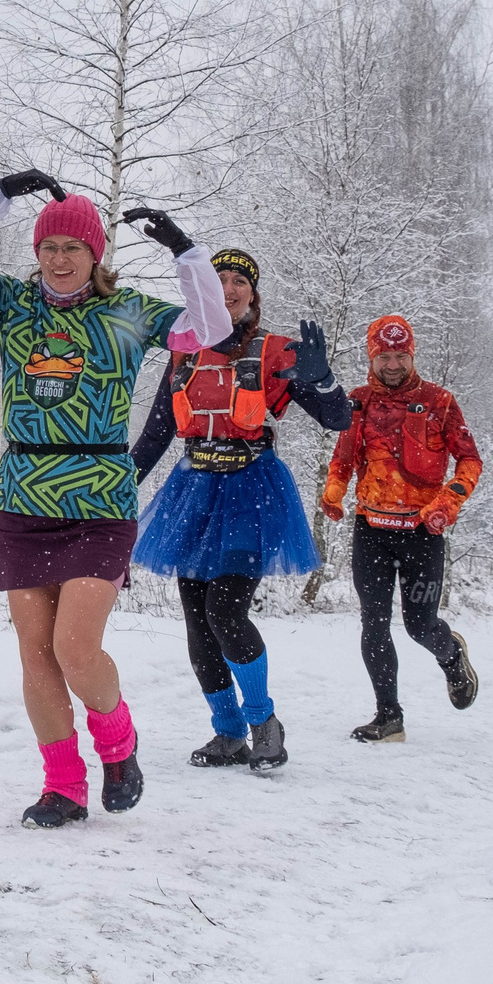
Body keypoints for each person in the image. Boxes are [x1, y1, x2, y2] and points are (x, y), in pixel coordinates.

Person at [0, 173, 226, 828]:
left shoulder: (127, 313)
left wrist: (183, 248)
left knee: (75, 648)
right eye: (49, 246)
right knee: (35, 653)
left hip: (99, 501)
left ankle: (118, 742)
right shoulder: (9, 306)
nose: (60, 258)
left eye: (74, 247)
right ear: (37, 252)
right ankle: (63, 785)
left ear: (96, 256)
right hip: (23, 501)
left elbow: (211, 322)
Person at [130, 248, 350, 772]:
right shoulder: (184, 353)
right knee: (197, 623)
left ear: (253, 293)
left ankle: (262, 721)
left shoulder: (276, 353)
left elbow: (337, 418)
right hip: (192, 489)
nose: (227, 289)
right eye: (217, 279)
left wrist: (321, 380)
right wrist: (119, 484)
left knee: (225, 612)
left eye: (238, 281)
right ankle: (227, 734)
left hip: (251, 489)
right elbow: (159, 430)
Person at [319, 314, 485, 744]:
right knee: (373, 624)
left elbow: (470, 460)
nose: (392, 365)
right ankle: (389, 717)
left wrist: (447, 504)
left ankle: (452, 657)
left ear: (412, 355)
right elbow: (344, 458)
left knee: (419, 627)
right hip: (371, 528)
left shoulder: (440, 402)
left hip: (422, 533)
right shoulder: (356, 402)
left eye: (401, 356)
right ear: (371, 357)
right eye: (384, 357)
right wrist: (333, 492)